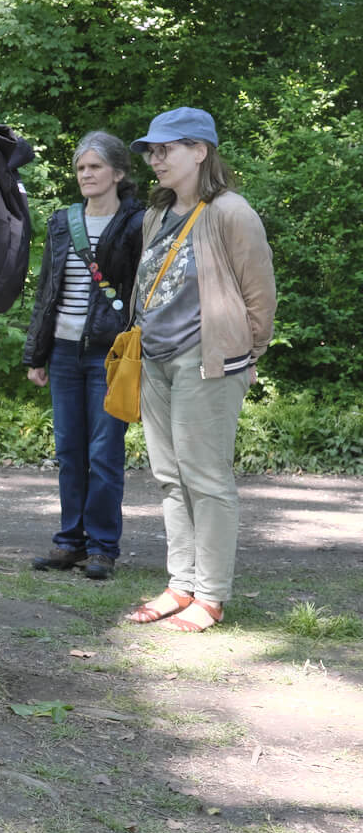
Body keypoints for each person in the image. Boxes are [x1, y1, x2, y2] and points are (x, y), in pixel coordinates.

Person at [121, 108, 275, 633]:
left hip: (207, 360)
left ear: (200, 151)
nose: (155, 159)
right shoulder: (156, 213)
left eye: (166, 149)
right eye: (151, 150)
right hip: (154, 358)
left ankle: (210, 596)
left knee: (206, 479)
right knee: (169, 477)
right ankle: (180, 585)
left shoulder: (231, 212)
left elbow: (260, 295)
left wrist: (248, 355)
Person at [23, 132, 145, 582]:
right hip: (63, 352)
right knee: (69, 452)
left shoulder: (138, 222)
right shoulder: (62, 221)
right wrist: (37, 354)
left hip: (111, 355)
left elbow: (143, 290)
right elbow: (47, 290)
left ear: (118, 173)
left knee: (104, 453)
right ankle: (69, 541)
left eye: (95, 167)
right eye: (81, 168)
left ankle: (102, 547)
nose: (87, 174)